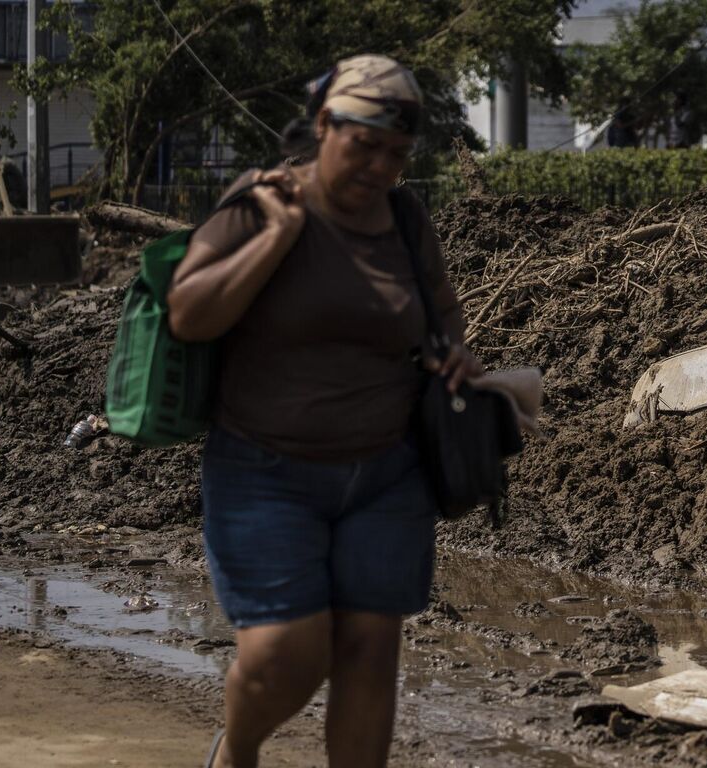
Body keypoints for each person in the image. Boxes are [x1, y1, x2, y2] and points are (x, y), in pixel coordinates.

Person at [166, 54, 481, 768]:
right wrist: (278, 237)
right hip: (263, 470)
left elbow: (443, 316)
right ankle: (238, 748)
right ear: (323, 125)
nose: (378, 166)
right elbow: (188, 313)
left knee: (371, 650)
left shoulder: (404, 217)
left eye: (395, 154)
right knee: (288, 654)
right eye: (363, 144)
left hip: (388, 474)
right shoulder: (262, 197)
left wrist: (452, 355)